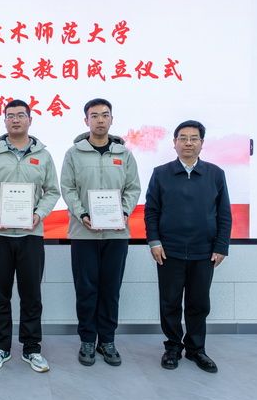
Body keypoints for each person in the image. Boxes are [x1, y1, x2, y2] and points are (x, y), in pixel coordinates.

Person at [0, 99, 60, 373]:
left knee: (31, 294)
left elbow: (52, 191)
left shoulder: (43, 155)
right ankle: (1, 346)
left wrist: (38, 214)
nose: (15, 120)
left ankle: (32, 348)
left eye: (21, 115)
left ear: (30, 120)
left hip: (31, 235)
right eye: (10, 116)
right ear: (4, 120)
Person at [144, 120, 232, 374]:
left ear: (202, 143)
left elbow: (224, 214)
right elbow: (151, 211)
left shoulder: (215, 174)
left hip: (204, 252)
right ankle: (173, 347)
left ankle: (196, 349)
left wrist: (221, 246)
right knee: (170, 303)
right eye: (183, 138)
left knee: (199, 303)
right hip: (169, 251)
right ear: (174, 143)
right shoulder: (161, 173)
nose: (188, 143)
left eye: (194, 138)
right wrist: (154, 242)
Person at [60, 98, 141, 367]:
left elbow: (133, 188)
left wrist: (124, 213)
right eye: (94, 115)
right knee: (86, 289)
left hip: (117, 234)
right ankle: (87, 340)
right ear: (86, 120)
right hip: (83, 234)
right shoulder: (74, 153)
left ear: (111, 119)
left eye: (105, 115)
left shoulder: (124, 154)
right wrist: (82, 214)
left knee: (110, 289)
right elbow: (67, 188)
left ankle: (107, 340)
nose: (100, 120)